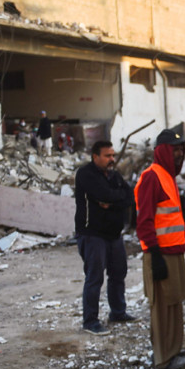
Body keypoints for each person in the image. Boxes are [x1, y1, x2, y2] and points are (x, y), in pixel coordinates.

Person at [134, 129, 185, 369]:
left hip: (173, 252)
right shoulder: (152, 177)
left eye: (181, 150)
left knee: (174, 303)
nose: (179, 154)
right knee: (162, 308)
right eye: (175, 149)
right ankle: (164, 358)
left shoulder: (167, 176)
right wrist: (154, 253)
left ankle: (172, 348)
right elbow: (144, 220)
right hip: (161, 253)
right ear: (163, 151)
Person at [74, 141, 135, 335]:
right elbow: (104, 194)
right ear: (95, 156)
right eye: (107, 156)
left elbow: (130, 196)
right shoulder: (85, 174)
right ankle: (90, 321)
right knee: (95, 277)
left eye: (113, 155)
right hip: (92, 234)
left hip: (114, 234)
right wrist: (116, 199)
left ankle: (118, 312)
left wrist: (113, 202)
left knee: (118, 273)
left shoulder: (114, 175)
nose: (112, 159)